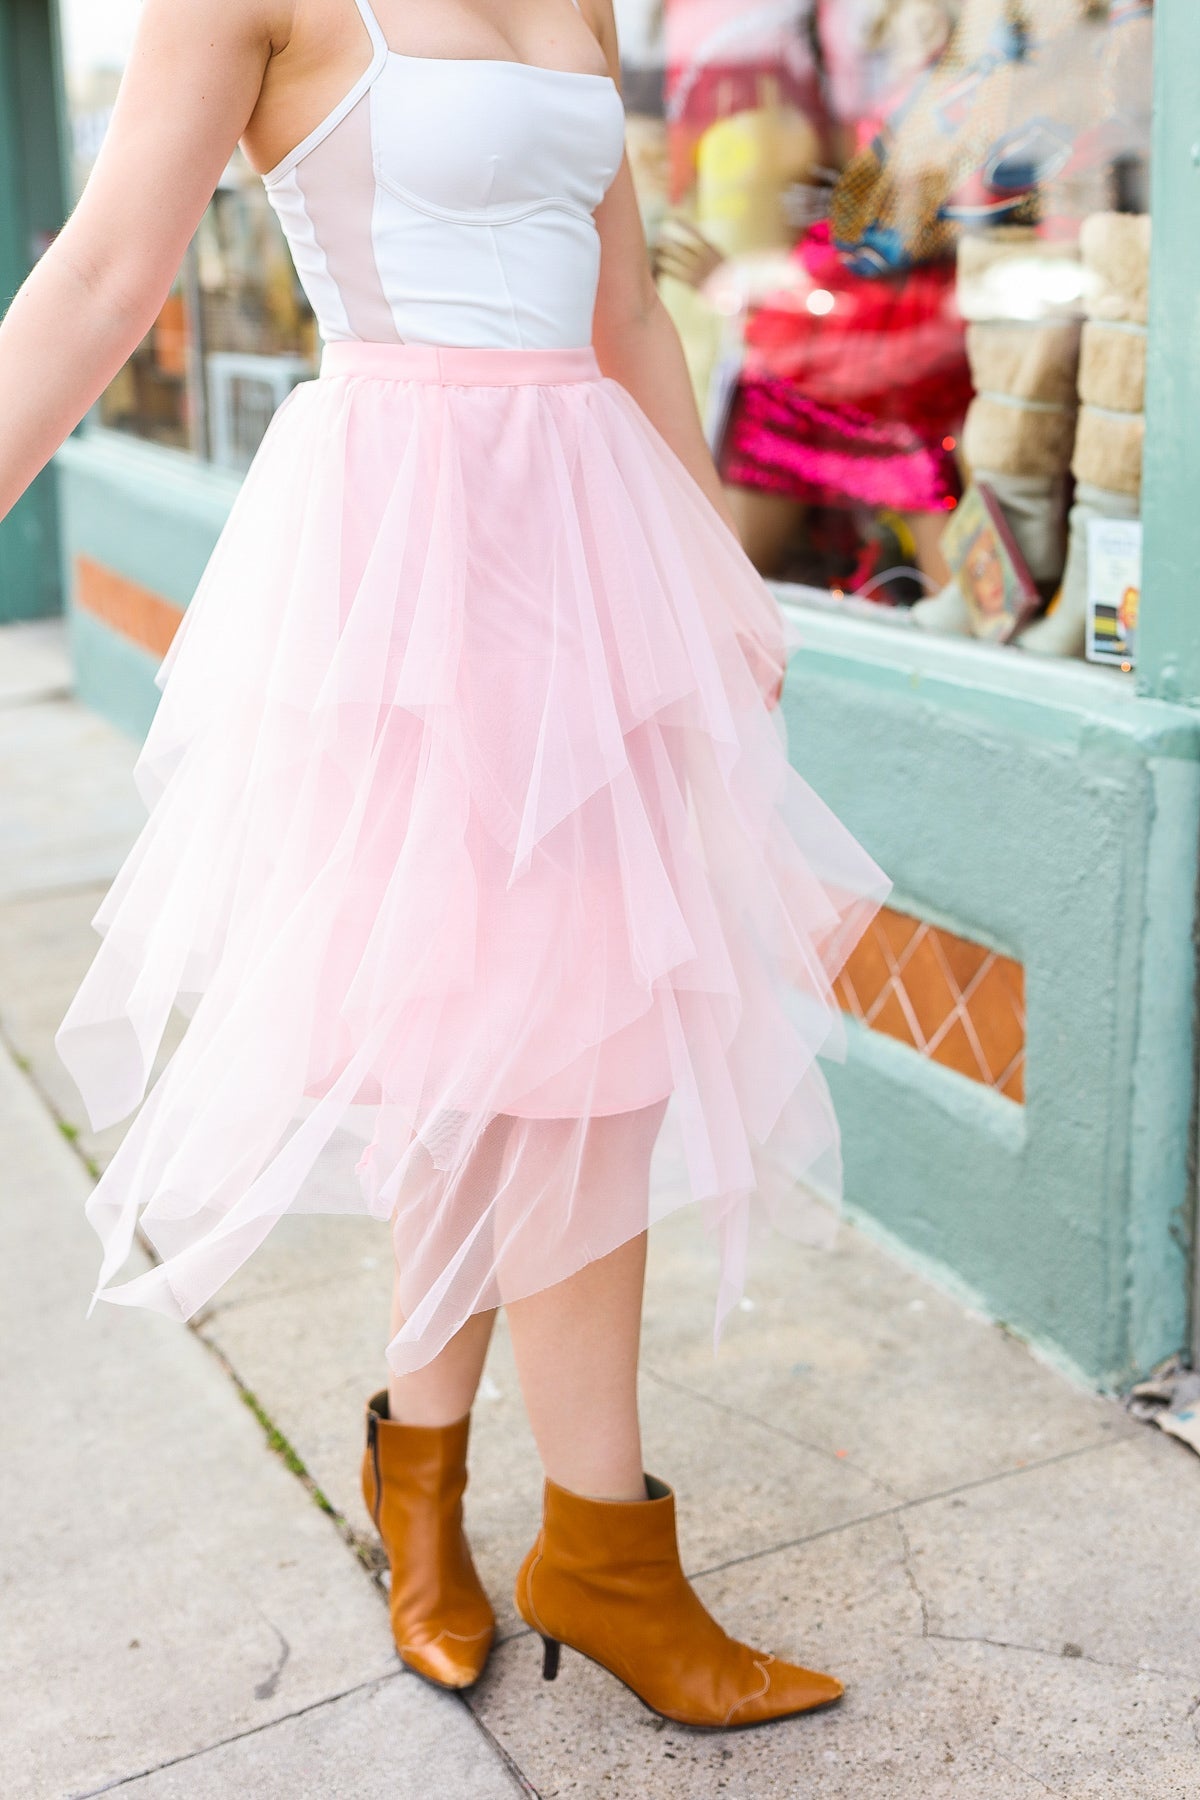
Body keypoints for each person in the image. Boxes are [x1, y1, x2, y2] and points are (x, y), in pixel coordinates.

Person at [0, 0, 887, 1728]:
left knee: (528, 1039)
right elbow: (108, 277)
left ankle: (435, 1491)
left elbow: (623, 303)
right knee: (545, 1044)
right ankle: (591, 1554)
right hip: (407, 564)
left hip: (589, 545)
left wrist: (718, 565)